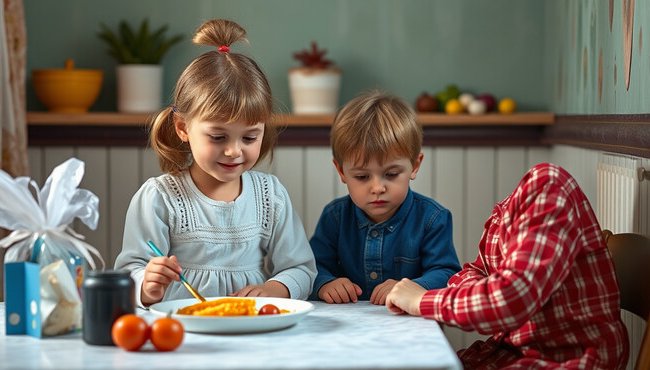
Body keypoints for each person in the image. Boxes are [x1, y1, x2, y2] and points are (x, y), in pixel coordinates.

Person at [114, 19, 316, 307]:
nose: (234, 151)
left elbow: (301, 269)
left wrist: (276, 288)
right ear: (183, 127)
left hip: (252, 332)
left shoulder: (270, 196)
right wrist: (146, 283)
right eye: (218, 137)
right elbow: (129, 273)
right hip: (182, 335)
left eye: (249, 138)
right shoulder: (159, 198)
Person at [385, 163, 629, 369]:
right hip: (512, 352)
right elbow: (476, 273)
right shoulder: (508, 212)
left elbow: (510, 298)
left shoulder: (548, 186)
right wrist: (489, 288)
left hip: (562, 360)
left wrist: (421, 301)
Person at [309, 91, 461, 305]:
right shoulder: (335, 217)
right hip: (349, 327)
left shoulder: (432, 219)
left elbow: (447, 273)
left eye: (391, 174)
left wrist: (413, 287)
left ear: (415, 166)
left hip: (411, 326)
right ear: (341, 171)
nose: (378, 187)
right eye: (362, 176)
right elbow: (312, 267)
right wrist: (326, 283)